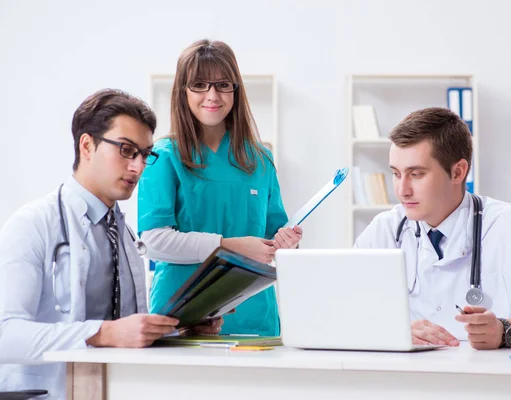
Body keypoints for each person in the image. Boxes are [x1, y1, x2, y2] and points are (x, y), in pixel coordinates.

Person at [0, 89, 222, 398]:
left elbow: (125, 331)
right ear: (87, 145)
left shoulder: (124, 234)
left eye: (145, 154)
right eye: (127, 150)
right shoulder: (33, 225)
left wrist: (180, 330)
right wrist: (102, 333)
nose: (139, 167)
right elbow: (5, 335)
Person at [354, 107, 511, 349]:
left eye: (416, 174)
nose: (402, 190)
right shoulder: (384, 231)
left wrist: (508, 330)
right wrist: (391, 329)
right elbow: (340, 310)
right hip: (407, 380)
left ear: (458, 171)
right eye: (396, 174)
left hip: (494, 380)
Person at [137, 39, 302, 337]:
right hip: (181, 319)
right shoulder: (164, 157)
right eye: (199, 84)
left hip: (254, 322)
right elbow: (153, 241)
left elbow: (274, 240)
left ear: (235, 91)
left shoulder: (260, 160)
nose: (212, 95)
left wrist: (287, 245)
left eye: (223, 84)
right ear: (183, 91)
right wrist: (230, 245)